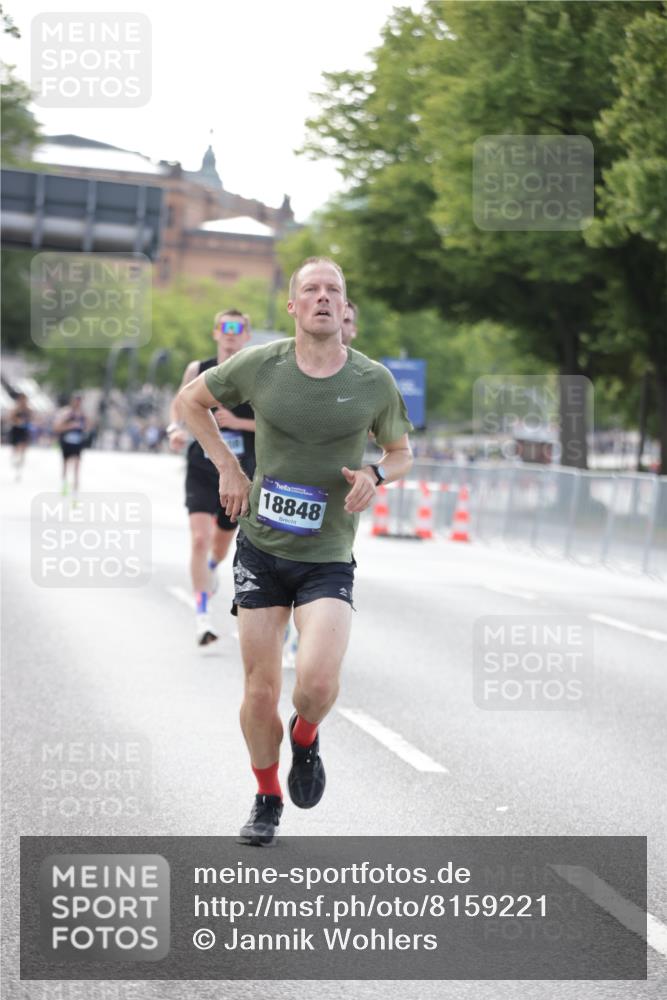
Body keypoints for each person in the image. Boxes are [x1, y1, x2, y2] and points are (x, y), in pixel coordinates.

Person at [178, 258, 413, 845]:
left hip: (328, 554)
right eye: (311, 289)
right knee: (259, 690)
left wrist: (375, 475)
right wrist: (228, 467)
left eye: (334, 288)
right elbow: (190, 402)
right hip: (261, 547)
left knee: (314, 683)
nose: (323, 297)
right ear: (293, 306)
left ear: (344, 305)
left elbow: (402, 451)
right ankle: (265, 797)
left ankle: (305, 737)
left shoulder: (372, 380)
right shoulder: (262, 364)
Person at [167, 310, 256, 646]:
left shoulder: (256, 373)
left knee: (219, 545)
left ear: (247, 335)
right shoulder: (198, 369)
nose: (231, 334)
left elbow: (273, 425)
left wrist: (236, 422)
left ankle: (211, 569)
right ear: (215, 333)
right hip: (202, 467)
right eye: (225, 327)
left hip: (238, 472)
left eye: (238, 328)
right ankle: (202, 616)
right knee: (199, 540)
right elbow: (180, 404)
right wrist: (175, 428)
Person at [53, 393, 89, 496]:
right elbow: (57, 427)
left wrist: (83, 426)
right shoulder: (66, 413)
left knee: (77, 464)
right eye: (76, 400)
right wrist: (70, 426)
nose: (77, 403)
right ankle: (64, 484)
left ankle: (76, 487)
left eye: (79, 401)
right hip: (66, 441)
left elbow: (88, 426)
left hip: (78, 442)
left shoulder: (83, 414)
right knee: (65, 464)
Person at [8, 392, 32, 481]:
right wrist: (17, 420)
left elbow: (31, 419)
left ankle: (20, 467)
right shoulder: (16, 409)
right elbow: (10, 418)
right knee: (16, 448)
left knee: (23, 448)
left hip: (24, 430)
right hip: (16, 430)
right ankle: (15, 459)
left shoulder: (28, 410)